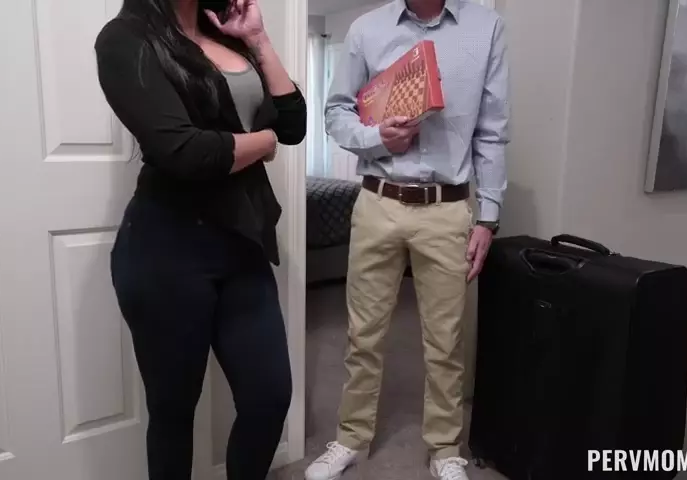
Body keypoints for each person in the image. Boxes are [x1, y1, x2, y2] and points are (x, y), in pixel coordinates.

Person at [94, 0, 306, 478]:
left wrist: (258, 40)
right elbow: (185, 152)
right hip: (167, 250)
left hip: (242, 243)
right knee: (173, 411)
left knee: (269, 397)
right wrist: (264, 142)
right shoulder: (126, 39)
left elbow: (293, 124)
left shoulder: (226, 34)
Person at [305, 0, 509, 479]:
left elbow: (492, 131)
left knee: (446, 339)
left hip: (447, 208)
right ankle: (350, 437)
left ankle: (445, 449)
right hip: (378, 201)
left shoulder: (487, 28)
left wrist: (488, 218)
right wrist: (377, 136)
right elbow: (336, 113)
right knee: (363, 333)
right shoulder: (366, 29)